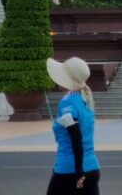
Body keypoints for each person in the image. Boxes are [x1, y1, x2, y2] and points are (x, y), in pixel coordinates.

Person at [46, 56, 100, 195]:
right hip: (92, 167)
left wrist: (79, 172)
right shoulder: (86, 99)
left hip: (70, 170)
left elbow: (76, 137)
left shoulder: (67, 102)